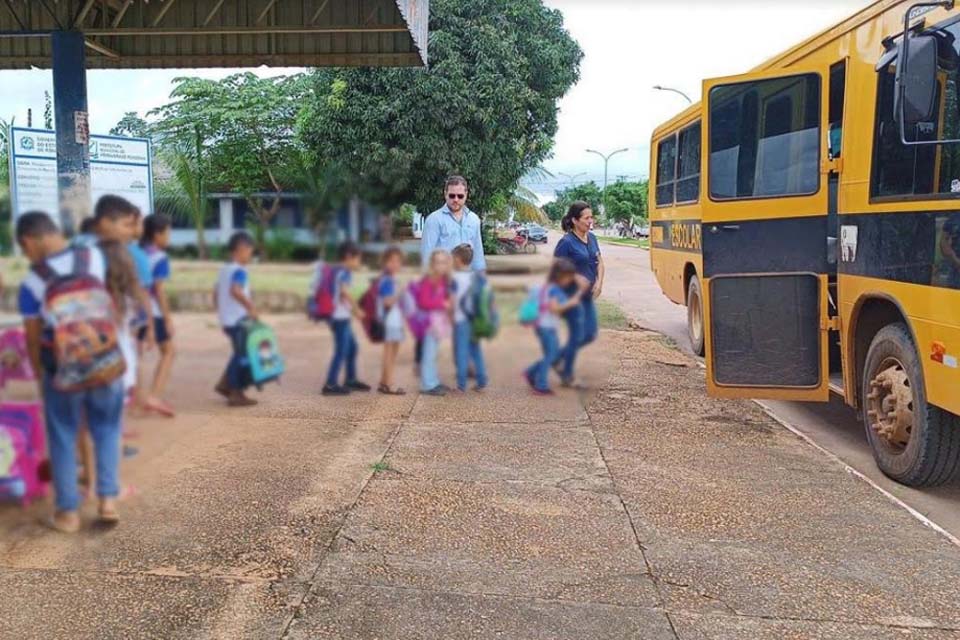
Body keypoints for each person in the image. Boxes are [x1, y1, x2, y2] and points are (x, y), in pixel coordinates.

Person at [16, 211, 125, 533]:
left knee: (63, 435)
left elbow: (33, 340)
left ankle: (68, 514)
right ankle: (107, 501)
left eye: (25, 249)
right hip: (105, 361)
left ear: (30, 240)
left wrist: (40, 376)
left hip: (62, 371)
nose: (27, 256)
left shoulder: (33, 281)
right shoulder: (91, 257)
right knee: (106, 428)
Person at [417, 176, 487, 373]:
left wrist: (481, 278)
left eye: (460, 196)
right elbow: (427, 253)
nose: (456, 199)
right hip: (443, 280)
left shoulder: (474, 220)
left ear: (466, 195)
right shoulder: (434, 220)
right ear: (445, 194)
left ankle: (465, 363)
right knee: (436, 326)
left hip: (467, 281)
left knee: (466, 325)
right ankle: (424, 364)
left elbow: (478, 251)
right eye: (452, 195)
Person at [93, 196, 155, 403]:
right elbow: (141, 291)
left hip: (115, 333)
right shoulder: (120, 255)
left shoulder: (121, 254)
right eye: (127, 224)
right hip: (109, 336)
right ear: (104, 223)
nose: (131, 230)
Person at [553, 201, 605, 388]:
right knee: (576, 334)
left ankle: (557, 358)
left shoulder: (592, 238)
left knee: (589, 333)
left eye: (592, 217)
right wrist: (575, 277)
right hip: (570, 295)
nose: (590, 221)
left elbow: (599, 262)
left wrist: (599, 282)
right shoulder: (566, 242)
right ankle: (566, 374)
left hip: (587, 296)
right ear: (575, 220)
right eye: (586, 218)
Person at [524, 258, 589, 395]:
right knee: (552, 355)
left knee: (551, 354)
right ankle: (540, 384)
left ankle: (530, 373)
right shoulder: (554, 290)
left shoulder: (548, 287)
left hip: (543, 325)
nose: (569, 281)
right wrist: (572, 302)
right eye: (568, 278)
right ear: (560, 276)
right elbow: (555, 309)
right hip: (546, 327)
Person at [214, 232, 259, 407]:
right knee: (242, 354)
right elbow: (236, 291)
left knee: (239, 353)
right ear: (240, 250)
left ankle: (225, 385)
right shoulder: (240, 271)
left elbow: (216, 293)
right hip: (239, 319)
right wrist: (251, 308)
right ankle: (235, 391)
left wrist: (221, 312)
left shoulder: (224, 269)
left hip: (227, 319)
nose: (250, 255)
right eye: (249, 251)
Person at [139, 214, 176, 417]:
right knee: (169, 351)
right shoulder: (159, 258)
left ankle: (136, 399)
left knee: (136, 354)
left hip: (134, 310)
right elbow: (159, 291)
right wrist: (167, 318)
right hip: (152, 310)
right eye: (167, 232)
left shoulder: (138, 253)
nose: (169, 237)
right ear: (157, 234)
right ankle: (154, 396)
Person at [323, 242, 371, 396]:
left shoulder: (340, 271)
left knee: (352, 348)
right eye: (358, 259)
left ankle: (350, 379)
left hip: (340, 316)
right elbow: (344, 292)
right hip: (339, 318)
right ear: (349, 257)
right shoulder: (343, 272)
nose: (359, 263)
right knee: (342, 350)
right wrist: (357, 309)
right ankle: (330, 384)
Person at [451, 243, 488, 392]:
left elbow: (452, 300)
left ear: (458, 260)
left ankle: (461, 384)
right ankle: (481, 380)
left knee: (461, 351)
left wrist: (449, 316)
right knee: (475, 350)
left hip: (460, 319)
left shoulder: (454, 278)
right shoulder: (476, 277)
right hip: (475, 318)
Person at [418, 249, 454, 396]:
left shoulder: (443, 280)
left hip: (438, 321)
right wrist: (442, 304)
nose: (441, 266)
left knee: (433, 353)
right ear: (432, 264)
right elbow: (423, 302)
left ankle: (433, 380)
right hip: (429, 322)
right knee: (429, 352)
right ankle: (428, 384)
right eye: (438, 262)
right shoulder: (428, 281)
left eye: (444, 262)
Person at [377, 246, 406, 396]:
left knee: (392, 353)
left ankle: (384, 381)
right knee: (390, 353)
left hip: (394, 320)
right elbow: (387, 302)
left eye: (398, 261)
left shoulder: (389, 278)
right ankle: (389, 384)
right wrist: (400, 293)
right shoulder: (387, 280)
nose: (395, 264)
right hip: (390, 321)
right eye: (392, 261)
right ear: (385, 262)